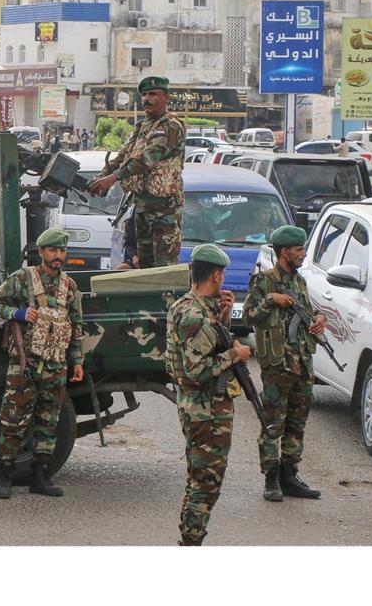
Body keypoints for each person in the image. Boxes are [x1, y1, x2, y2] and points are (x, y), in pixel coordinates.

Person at [0, 227, 85, 499]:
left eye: (62, 251)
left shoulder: (69, 286)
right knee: (12, 420)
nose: (58, 256)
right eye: (53, 250)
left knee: (48, 421)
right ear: (41, 252)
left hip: (56, 364)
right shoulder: (23, 279)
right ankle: (4, 476)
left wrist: (77, 361)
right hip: (25, 363)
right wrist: (16, 312)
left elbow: (76, 326)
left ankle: (41, 477)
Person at [166, 243, 252, 545]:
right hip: (205, 409)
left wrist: (225, 317)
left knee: (200, 478)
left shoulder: (189, 306)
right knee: (206, 482)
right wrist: (236, 355)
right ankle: (190, 542)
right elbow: (197, 369)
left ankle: (191, 539)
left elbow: (208, 344)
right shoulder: (194, 315)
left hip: (203, 407)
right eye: (223, 274)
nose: (224, 279)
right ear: (216, 275)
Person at [242, 225, 325, 503]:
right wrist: (271, 300)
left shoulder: (299, 281)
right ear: (284, 252)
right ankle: (271, 478)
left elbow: (307, 314)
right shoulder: (265, 281)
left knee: (297, 423)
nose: (303, 254)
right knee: (272, 424)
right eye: (299, 250)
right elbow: (249, 317)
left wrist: (318, 321)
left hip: (302, 363)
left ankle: (290, 475)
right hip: (278, 366)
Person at [88, 76, 186, 268]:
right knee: (145, 267)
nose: (147, 99)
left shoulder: (171, 126)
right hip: (142, 209)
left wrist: (112, 179)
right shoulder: (142, 127)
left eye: (153, 94)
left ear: (165, 97)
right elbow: (122, 157)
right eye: (144, 95)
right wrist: (100, 178)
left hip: (163, 211)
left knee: (164, 270)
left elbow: (147, 159)